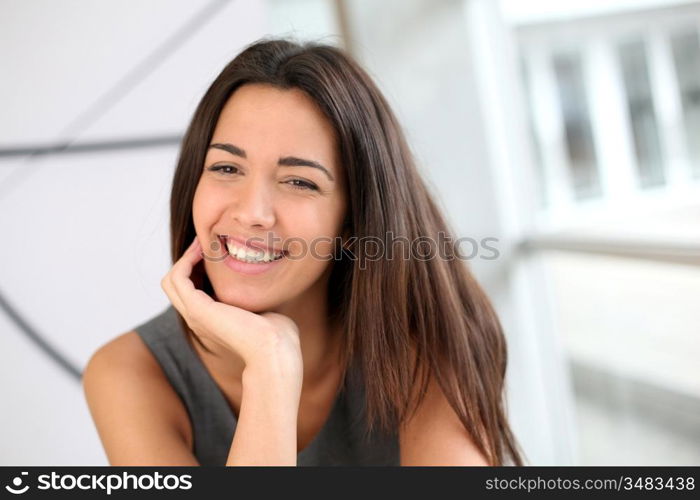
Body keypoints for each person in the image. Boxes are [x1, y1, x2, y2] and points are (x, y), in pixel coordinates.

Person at [82, 37, 525, 466]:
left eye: (299, 181)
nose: (253, 213)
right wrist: (271, 368)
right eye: (226, 167)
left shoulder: (428, 343)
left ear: (354, 223)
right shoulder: (130, 373)